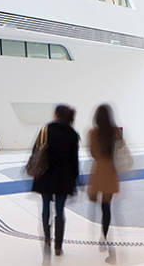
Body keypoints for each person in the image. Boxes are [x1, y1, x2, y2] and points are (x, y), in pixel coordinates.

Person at [31, 104, 79, 256]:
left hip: (45, 175)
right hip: (63, 178)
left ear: (56, 115)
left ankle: (47, 241)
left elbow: (35, 151)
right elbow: (74, 161)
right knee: (60, 210)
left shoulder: (45, 130)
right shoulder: (72, 134)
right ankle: (58, 246)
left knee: (46, 207)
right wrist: (75, 179)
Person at [88, 104, 122, 246]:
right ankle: (105, 235)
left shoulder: (93, 132)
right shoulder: (115, 132)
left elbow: (93, 153)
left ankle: (100, 234)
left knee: (98, 204)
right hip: (111, 171)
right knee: (106, 206)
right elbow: (120, 150)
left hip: (99, 170)